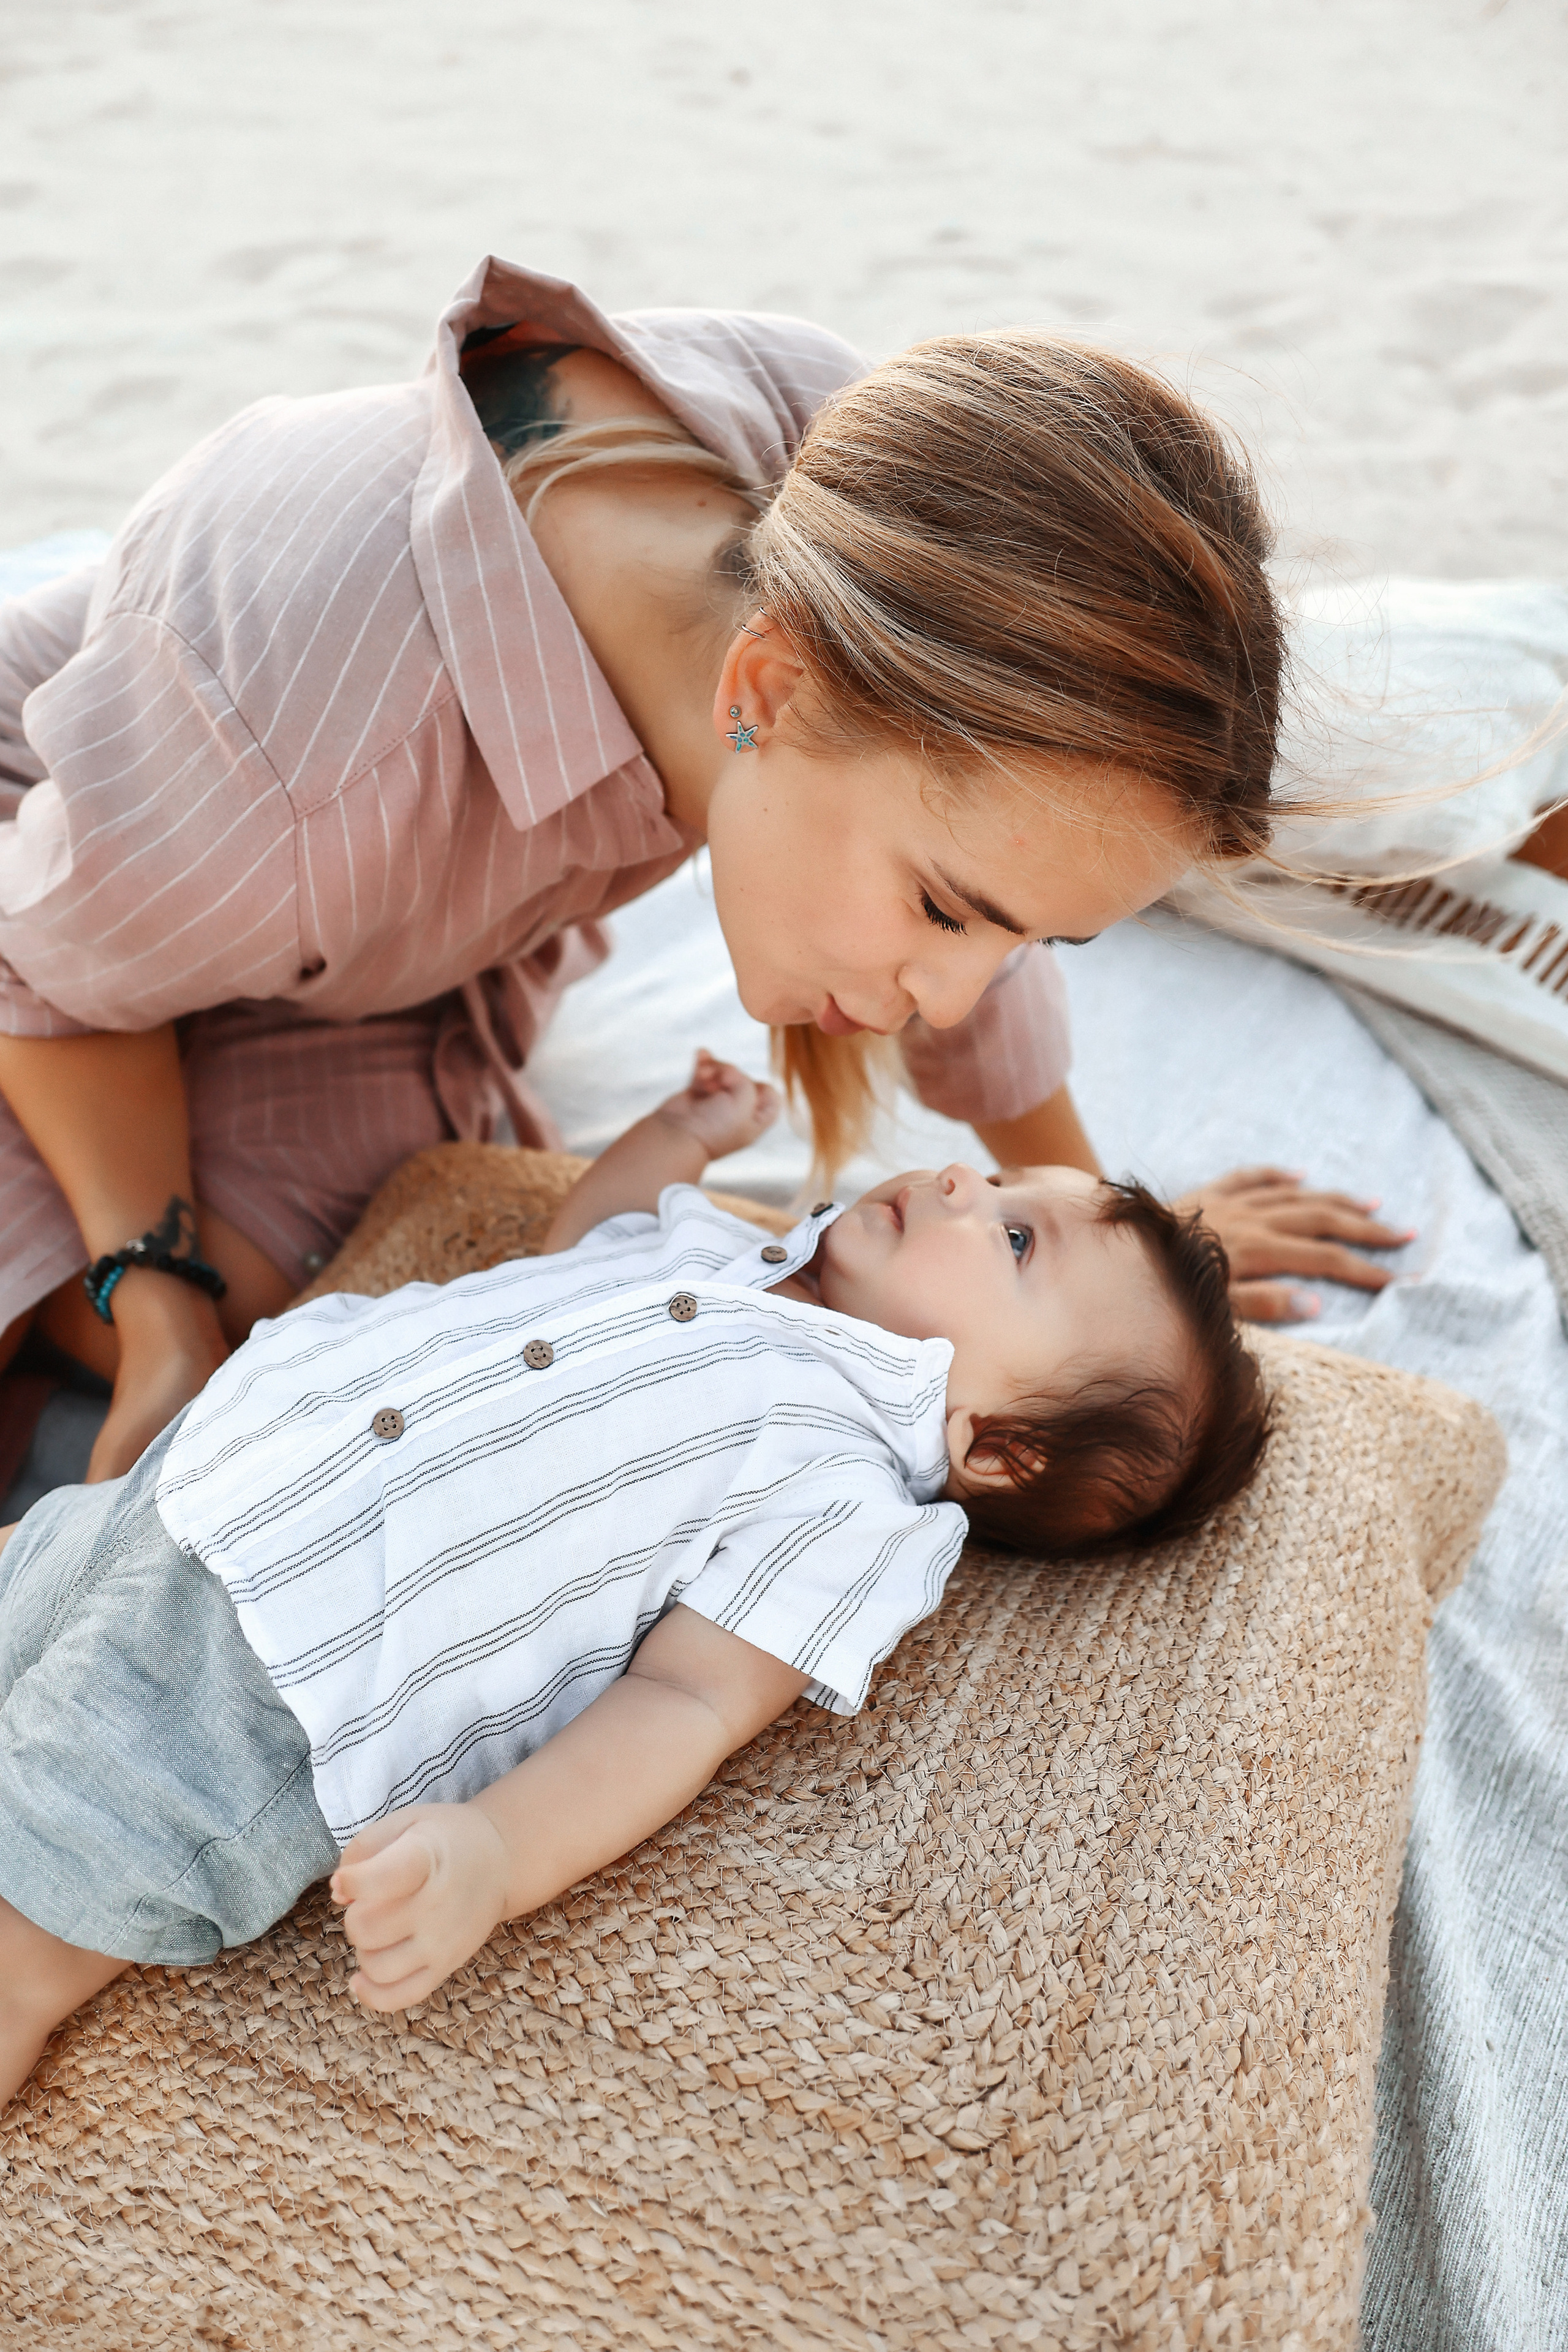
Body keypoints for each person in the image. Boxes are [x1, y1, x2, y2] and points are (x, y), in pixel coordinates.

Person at [0, 256, 1406, 1488]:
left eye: (1028, 939)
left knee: (392, 1285)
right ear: (770, 684)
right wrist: (160, 1305)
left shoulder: (881, 511)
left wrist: (1105, 1249)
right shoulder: (308, 749)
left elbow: (997, 875)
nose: (943, 996)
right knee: (261, 1323)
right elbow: (38, 967)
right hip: (75, 894)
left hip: (354, 940)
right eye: (941, 910)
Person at [0, 1050, 1267, 2108]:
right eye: (990, 1173)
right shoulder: (734, 1258)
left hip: (283, 1677)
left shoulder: (850, 1501)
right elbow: (583, 1241)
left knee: (25, 1935)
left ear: (995, 1447)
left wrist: (496, 1853)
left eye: (1007, 1233)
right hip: (181, 1488)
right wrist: (675, 1138)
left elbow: (687, 1705)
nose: (953, 1172)